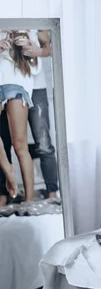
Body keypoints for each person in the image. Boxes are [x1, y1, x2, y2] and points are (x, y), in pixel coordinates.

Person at [0, 30, 58, 204]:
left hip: (19, 84)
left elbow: (48, 48)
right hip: (7, 78)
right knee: (9, 142)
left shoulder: (32, 28)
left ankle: (35, 199)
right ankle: (7, 175)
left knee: (28, 144)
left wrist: (34, 51)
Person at [0, 30, 41, 205]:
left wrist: (29, 49)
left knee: (20, 144)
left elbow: (35, 67)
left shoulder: (28, 30)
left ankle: (29, 201)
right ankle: (7, 168)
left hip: (16, 83)